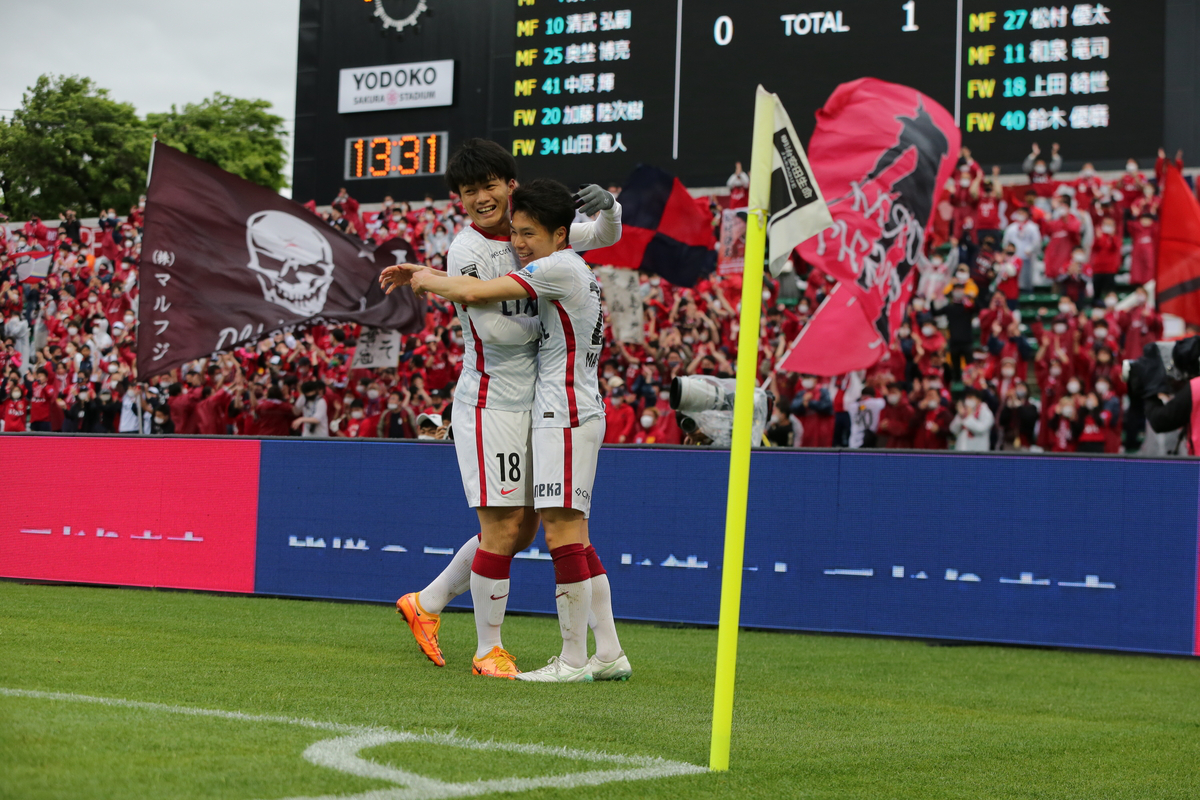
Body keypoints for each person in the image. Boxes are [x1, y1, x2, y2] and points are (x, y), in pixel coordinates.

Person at [381, 140, 623, 680]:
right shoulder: (467, 249)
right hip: (494, 398)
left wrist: (609, 206)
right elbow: (493, 327)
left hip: (543, 402)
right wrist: (554, 313)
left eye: (490, 186)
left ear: (510, 186)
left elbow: (602, 235)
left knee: (527, 530)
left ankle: (426, 603)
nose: (482, 198)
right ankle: (489, 648)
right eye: (469, 192)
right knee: (506, 525)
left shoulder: (534, 230)